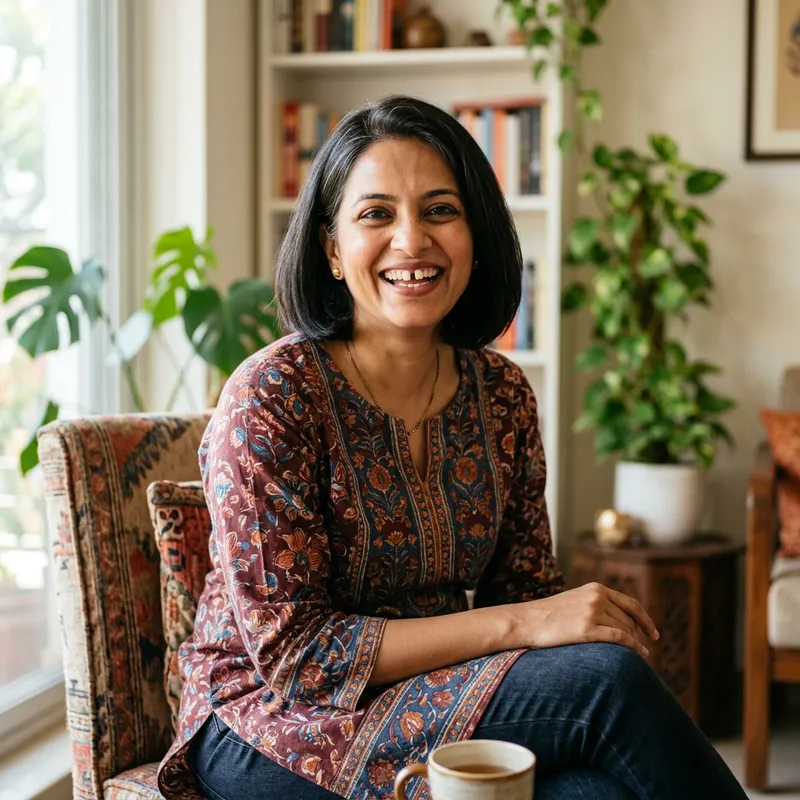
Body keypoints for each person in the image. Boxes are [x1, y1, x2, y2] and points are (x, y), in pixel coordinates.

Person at [157, 95, 747, 800]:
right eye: (377, 214)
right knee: (606, 686)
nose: (412, 241)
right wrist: (526, 622)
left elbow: (525, 589)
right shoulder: (273, 394)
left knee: (597, 793)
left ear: (476, 234)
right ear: (331, 249)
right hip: (268, 721)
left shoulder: (500, 393)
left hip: (434, 695)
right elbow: (298, 655)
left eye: (440, 210)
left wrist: (537, 619)